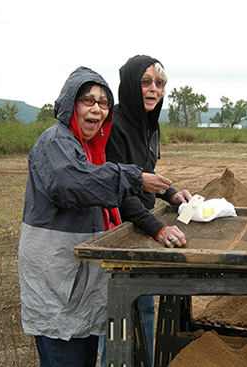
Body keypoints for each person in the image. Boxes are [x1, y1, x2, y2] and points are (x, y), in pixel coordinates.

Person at [17, 66, 182, 367]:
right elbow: (73, 184)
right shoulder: (56, 142)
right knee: (62, 353)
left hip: (76, 279)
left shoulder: (90, 148)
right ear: (70, 104)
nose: (97, 109)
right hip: (57, 276)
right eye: (88, 101)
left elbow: (101, 187)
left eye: (103, 103)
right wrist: (134, 177)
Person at [104, 55, 192, 366]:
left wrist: (171, 194)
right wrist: (157, 227)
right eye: (145, 82)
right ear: (129, 85)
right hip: (117, 230)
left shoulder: (148, 125)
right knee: (115, 315)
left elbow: (143, 175)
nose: (154, 89)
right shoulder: (113, 126)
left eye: (159, 83)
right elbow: (118, 194)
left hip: (138, 227)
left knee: (143, 304)